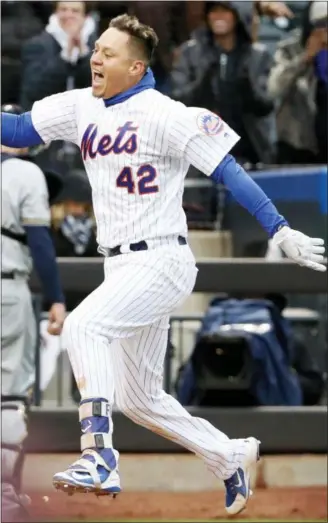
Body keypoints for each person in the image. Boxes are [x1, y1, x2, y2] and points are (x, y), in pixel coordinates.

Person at [1, 14, 326, 516]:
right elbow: (19, 130)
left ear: (136, 66)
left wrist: (279, 228)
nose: (96, 58)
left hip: (161, 259)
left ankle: (99, 457)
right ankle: (227, 454)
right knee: (139, 397)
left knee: (84, 327)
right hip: (120, 267)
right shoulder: (82, 105)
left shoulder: (166, 113)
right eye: (96, 49)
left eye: (108, 53)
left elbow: (228, 171)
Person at [1, 104, 66, 522]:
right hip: (7, 291)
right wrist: (56, 298)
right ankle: (5, 497)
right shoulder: (26, 173)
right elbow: (40, 244)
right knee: (7, 398)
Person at [170, 1, 276, 166]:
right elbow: (178, 101)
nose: (218, 16)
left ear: (238, 16)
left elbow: (266, 105)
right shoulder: (189, 53)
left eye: (225, 11)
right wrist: (204, 80)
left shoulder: (257, 56)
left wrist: (247, 85)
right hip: (201, 150)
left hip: (249, 150)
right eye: (213, 11)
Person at [268, 0, 328, 164]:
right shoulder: (289, 50)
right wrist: (305, 58)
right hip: (297, 146)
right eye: (322, 24)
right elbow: (274, 89)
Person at [20, 1, 97, 110]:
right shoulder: (37, 44)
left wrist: (83, 53)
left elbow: (97, 86)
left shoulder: (96, 45)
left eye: (75, 11)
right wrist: (65, 55)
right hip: (46, 114)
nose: (68, 15)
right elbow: (34, 89)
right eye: (63, 10)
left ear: (85, 16)